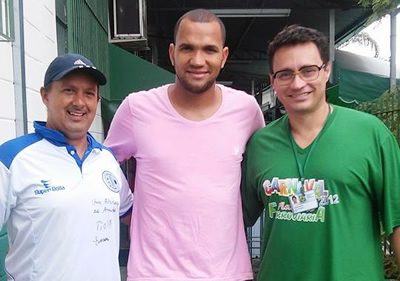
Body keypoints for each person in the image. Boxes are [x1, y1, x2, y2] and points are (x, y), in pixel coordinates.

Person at [105, 9, 265, 281]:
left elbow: (268, 164)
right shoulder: (137, 108)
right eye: (187, 48)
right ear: (172, 53)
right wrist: (127, 208)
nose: (197, 60)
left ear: (223, 56)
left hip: (227, 273)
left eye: (209, 50)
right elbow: (102, 166)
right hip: (153, 274)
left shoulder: (246, 109)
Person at [241, 24, 400, 281]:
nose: (297, 83)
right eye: (284, 74)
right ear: (272, 81)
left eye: (308, 70)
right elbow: (235, 219)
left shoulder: (370, 134)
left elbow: (397, 222)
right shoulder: (261, 144)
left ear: (326, 70)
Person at [0, 53, 133, 281]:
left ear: (97, 102)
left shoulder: (106, 160)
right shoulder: (13, 158)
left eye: (89, 93)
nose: (79, 102)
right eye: (69, 90)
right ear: (45, 96)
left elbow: (131, 216)